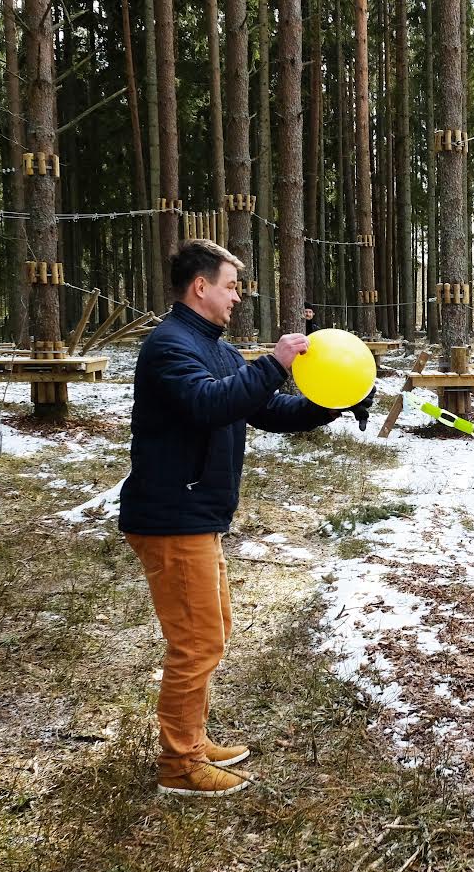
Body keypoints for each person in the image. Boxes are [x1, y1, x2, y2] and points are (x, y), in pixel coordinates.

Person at [121, 240, 372, 797]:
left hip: (196, 514)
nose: (238, 296)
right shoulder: (168, 347)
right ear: (200, 287)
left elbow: (269, 411)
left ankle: (192, 738)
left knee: (211, 632)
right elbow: (210, 403)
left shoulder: (217, 349)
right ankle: (180, 765)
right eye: (232, 285)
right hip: (171, 515)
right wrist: (276, 362)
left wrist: (333, 400)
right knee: (197, 641)